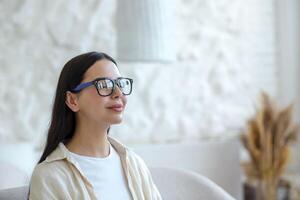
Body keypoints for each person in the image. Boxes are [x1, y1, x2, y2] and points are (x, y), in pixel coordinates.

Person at [29, 52, 162, 200]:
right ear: (73, 101)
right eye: (104, 84)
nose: (118, 93)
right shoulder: (50, 177)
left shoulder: (134, 164)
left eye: (120, 84)